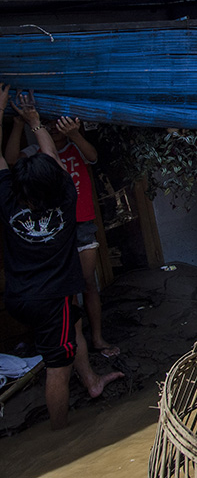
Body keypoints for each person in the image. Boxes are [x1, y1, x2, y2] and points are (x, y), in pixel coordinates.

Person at [0, 86, 122, 429]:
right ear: (56, 182)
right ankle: (60, 435)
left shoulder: (9, 204)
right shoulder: (66, 202)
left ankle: (92, 381)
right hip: (52, 300)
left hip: (19, 297)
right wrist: (36, 122)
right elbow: (52, 159)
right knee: (58, 365)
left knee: (75, 326)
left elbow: (4, 166)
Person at [5, 113, 117, 357]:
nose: (53, 127)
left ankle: (96, 339)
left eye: (57, 122)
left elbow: (93, 157)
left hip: (81, 223)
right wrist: (18, 125)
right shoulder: (36, 152)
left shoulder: (75, 145)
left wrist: (74, 134)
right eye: (46, 123)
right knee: (67, 293)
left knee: (87, 283)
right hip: (55, 230)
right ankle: (75, 350)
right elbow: (12, 160)